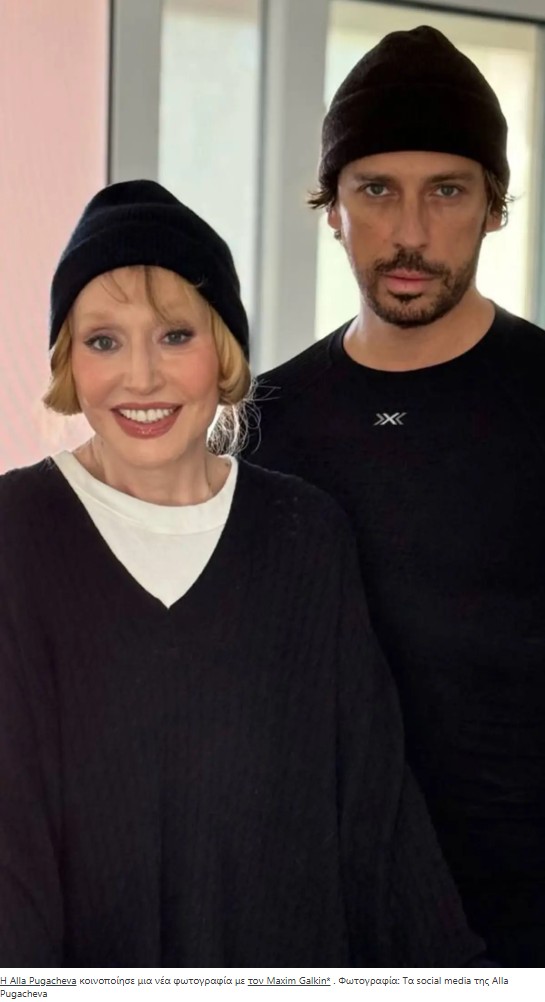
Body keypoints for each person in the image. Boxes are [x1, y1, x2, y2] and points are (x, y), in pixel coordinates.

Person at [0, 180, 486, 967]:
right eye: (103, 341)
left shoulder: (306, 536)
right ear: (68, 362)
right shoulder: (16, 534)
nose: (141, 378)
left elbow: (373, 812)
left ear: (222, 350)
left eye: (174, 336)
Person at [243, 26, 545, 967]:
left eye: (445, 191)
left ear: (492, 207)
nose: (409, 233)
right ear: (331, 208)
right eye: (376, 190)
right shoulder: (265, 422)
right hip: (332, 920)